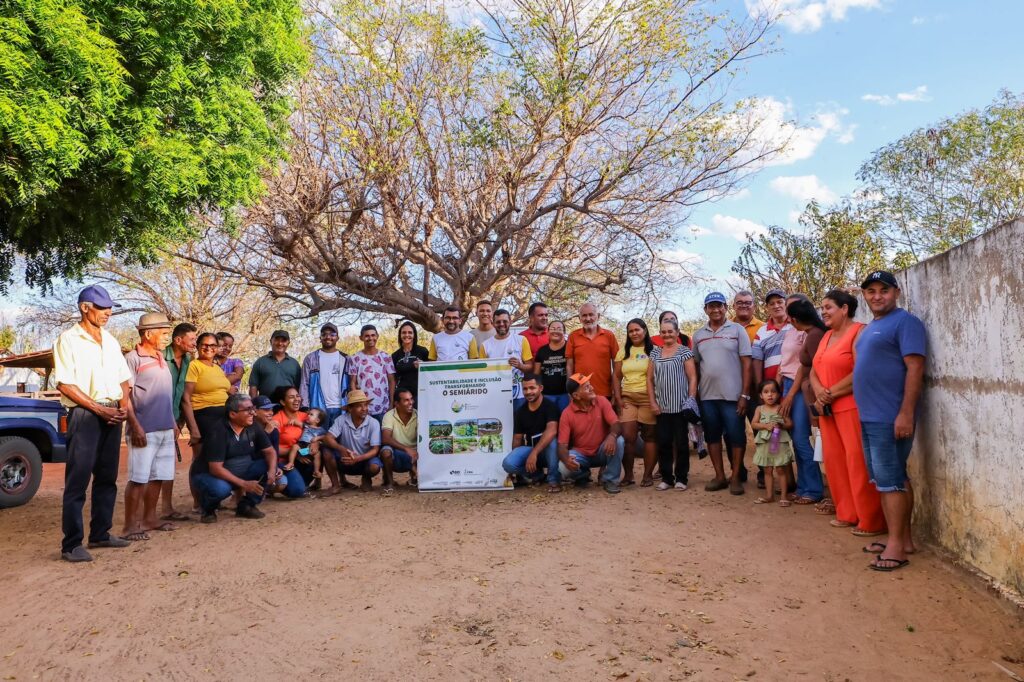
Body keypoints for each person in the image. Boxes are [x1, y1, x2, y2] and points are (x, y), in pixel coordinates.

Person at [53, 285, 134, 562]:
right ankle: (71, 545)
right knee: (78, 479)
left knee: (107, 476)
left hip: (112, 413)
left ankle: (100, 533)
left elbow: (124, 379)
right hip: (85, 414)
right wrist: (99, 409)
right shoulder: (68, 340)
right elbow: (65, 383)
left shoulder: (110, 341)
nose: (108, 313)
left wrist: (123, 406)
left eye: (110, 308)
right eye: (102, 308)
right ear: (85, 307)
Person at [855, 271, 927, 572]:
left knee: (889, 481)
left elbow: (915, 368)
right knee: (892, 478)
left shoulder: (905, 322)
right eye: (870, 291)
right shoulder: (872, 326)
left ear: (896, 293)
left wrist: (906, 412)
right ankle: (902, 539)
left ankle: (896, 547)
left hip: (889, 416)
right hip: (869, 416)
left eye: (883, 290)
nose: (877, 296)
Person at [810, 289, 885, 537]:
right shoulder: (826, 336)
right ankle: (847, 513)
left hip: (851, 406)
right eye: (822, 307)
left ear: (844, 309)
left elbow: (861, 371)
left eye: (828, 307)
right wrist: (820, 392)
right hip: (826, 409)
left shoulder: (858, 332)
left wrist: (829, 393)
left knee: (857, 461)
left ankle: (870, 520)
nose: (823, 312)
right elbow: (813, 370)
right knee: (834, 461)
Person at [122, 313, 178, 542]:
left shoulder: (161, 357)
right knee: (138, 478)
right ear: (147, 334)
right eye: (163, 333)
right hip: (144, 429)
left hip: (165, 428)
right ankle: (129, 526)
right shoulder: (132, 359)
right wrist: (135, 426)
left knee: (158, 476)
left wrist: (173, 423)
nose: (167, 338)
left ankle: (149, 519)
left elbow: (164, 394)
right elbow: (124, 397)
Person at [692, 292, 752, 495]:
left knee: (736, 436)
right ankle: (719, 476)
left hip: (733, 396)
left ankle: (735, 477)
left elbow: (747, 363)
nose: (716, 309)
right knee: (712, 437)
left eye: (719, 305)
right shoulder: (698, 335)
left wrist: (745, 395)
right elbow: (696, 366)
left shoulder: (737, 330)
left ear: (726, 308)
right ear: (705, 310)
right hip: (707, 397)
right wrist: (695, 394)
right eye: (711, 306)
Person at [191, 393, 278, 523]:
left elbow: (270, 452)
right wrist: (244, 484)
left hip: (239, 471)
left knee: (268, 466)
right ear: (232, 414)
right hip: (209, 474)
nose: (253, 413)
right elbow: (215, 469)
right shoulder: (218, 431)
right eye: (248, 410)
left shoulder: (253, 426)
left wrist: (271, 471)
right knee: (221, 489)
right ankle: (208, 509)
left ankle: (246, 506)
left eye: (253, 408)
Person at [781, 297, 827, 505]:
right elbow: (803, 365)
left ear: (795, 319)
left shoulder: (814, 335)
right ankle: (803, 486)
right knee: (797, 440)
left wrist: (793, 394)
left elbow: (816, 368)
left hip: (805, 389)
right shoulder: (809, 333)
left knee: (801, 439)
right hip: (797, 387)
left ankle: (814, 489)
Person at [647, 318, 699, 490]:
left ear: (677, 333)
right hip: (662, 408)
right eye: (663, 332)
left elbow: (692, 378)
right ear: (660, 334)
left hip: (681, 407)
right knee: (664, 443)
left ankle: (681, 478)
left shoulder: (685, 352)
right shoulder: (655, 353)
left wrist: (691, 400)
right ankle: (667, 478)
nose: (667, 334)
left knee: (682, 444)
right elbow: (649, 379)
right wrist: (653, 402)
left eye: (670, 331)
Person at [751, 289, 792, 490]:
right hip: (771, 392)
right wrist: (762, 389)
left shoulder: (795, 324)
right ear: (767, 307)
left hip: (792, 385)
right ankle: (787, 483)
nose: (776, 306)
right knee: (776, 433)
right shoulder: (761, 332)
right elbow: (757, 361)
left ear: (785, 304)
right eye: (771, 303)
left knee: (795, 434)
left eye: (779, 302)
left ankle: (801, 484)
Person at [557, 373, 624, 494]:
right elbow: (562, 445)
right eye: (587, 387)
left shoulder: (601, 400)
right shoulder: (567, 413)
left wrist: (612, 436)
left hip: (602, 451)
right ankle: (582, 475)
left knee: (619, 441)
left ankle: (610, 480)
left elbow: (616, 424)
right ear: (576, 396)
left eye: (590, 385)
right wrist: (566, 459)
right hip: (581, 454)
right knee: (563, 467)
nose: (592, 388)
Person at [613, 319, 656, 487]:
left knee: (650, 437)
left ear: (644, 330)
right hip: (628, 398)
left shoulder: (654, 350)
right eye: (630, 331)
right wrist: (618, 398)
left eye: (637, 330)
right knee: (628, 437)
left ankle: (647, 475)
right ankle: (629, 475)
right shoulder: (623, 351)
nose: (634, 333)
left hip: (648, 398)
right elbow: (616, 376)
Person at [502, 373, 561, 492]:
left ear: (541, 388)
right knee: (508, 464)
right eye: (525, 389)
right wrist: (515, 470)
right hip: (532, 452)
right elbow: (517, 439)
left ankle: (554, 480)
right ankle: (537, 475)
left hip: (550, 453)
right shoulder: (520, 412)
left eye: (532, 388)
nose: (528, 392)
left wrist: (534, 453)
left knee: (552, 442)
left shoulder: (550, 406)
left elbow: (552, 430)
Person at [161, 322, 196, 522]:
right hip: (157, 418)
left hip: (175, 417)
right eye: (191, 339)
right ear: (178, 340)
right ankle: (143, 512)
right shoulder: (160, 357)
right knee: (150, 467)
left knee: (168, 463)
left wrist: (181, 420)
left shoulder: (188, 360)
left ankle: (167, 508)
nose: (194, 343)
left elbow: (183, 393)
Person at [320, 390, 383, 493]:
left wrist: (358, 458)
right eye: (359, 406)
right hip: (345, 460)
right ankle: (335, 485)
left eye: (365, 405)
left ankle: (366, 479)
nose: (364, 408)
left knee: (374, 466)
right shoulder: (341, 419)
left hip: (364, 460)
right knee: (326, 451)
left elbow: (375, 450)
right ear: (350, 409)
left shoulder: (373, 423)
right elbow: (327, 438)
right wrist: (342, 449)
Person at [182, 332, 232, 462]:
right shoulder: (194, 366)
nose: (209, 348)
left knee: (221, 460)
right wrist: (193, 429)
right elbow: (185, 398)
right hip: (204, 416)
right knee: (202, 461)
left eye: (213, 345)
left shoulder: (217, 368)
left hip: (224, 417)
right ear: (197, 346)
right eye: (204, 345)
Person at [478, 309, 533, 410]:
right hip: (495, 395)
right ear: (493, 323)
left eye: (505, 321)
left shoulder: (521, 340)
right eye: (498, 322)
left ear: (510, 322)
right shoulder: (485, 345)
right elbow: (481, 373)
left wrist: (520, 365)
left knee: (519, 420)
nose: (501, 324)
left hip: (518, 395)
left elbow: (530, 367)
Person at [751, 379, 795, 506]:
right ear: (761, 395)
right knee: (767, 470)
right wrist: (765, 426)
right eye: (766, 392)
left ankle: (784, 497)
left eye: (773, 392)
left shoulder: (780, 408)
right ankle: (769, 496)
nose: (770, 395)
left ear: (778, 394)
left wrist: (781, 425)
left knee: (780, 469)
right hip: (765, 443)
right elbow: (754, 424)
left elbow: (790, 423)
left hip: (778, 442)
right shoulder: (759, 409)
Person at [565, 303, 619, 399]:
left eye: (591, 314)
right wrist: (571, 390)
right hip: (581, 393)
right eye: (584, 315)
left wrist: (616, 391)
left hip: (605, 392)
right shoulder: (573, 336)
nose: (588, 318)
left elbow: (617, 365)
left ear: (598, 316)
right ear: (579, 318)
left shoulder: (609, 336)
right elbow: (569, 366)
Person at [300, 323, 348, 427]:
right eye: (324, 334)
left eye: (332, 334)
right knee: (318, 437)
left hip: (341, 408)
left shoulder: (345, 359)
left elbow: (351, 384)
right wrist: (305, 407)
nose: (328, 337)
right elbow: (304, 384)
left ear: (337, 338)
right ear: (320, 338)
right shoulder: (311, 358)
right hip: (318, 409)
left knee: (338, 436)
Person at [269, 387, 314, 497]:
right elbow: (272, 448)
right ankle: (271, 487)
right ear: (283, 402)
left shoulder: (306, 417)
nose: (296, 399)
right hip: (283, 461)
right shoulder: (276, 420)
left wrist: (310, 447)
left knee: (318, 451)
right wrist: (294, 453)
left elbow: (319, 434)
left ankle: (303, 484)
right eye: (291, 397)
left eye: (298, 396)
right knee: (296, 490)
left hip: (301, 455)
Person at [252, 394, 299, 498]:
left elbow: (275, 453)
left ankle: (267, 489)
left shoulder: (273, 428)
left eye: (271, 409)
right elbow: (253, 455)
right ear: (255, 411)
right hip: (255, 465)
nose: (270, 413)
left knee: (297, 489)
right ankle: (255, 490)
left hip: (272, 463)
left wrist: (275, 467)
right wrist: (266, 433)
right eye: (266, 410)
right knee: (280, 480)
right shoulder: (249, 427)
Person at [349, 324, 396, 423]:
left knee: (383, 432)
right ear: (361, 338)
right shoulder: (355, 358)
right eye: (367, 336)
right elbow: (353, 382)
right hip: (363, 409)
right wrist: (356, 404)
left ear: (377, 336)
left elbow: (391, 381)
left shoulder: (385, 357)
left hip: (383, 407)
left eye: (373, 335)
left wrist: (391, 403)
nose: (370, 338)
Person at [380, 388, 419, 491]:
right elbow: (385, 438)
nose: (411, 402)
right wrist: (406, 449)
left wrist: (412, 451)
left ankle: (415, 478)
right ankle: (389, 482)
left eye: (411, 399)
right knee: (386, 452)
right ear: (396, 404)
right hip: (397, 452)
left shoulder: (418, 415)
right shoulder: (389, 415)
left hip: (415, 452)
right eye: (406, 400)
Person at [249, 330, 301, 399]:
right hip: (266, 404)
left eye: (283, 341)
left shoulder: (294, 364)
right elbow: (253, 386)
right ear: (271, 341)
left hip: (288, 405)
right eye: (277, 340)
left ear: (288, 343)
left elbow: (300, 387)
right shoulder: (260, 362)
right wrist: (254, 403)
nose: (280, 343)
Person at [533, 320, 570, 412]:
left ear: (564, 332)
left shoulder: (570, 348)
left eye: (559, 329)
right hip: (546, 395)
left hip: (566, 394)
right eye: (553, 328)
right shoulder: (542, 350)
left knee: (565, 419)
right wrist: (537, 392)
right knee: (549, 418)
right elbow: (536, 374)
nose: (555, 331)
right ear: (548, 332)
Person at [391, 320, 429, 405]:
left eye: (410, 332)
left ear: (414, 335)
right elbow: (393, 379)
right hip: (402, 397)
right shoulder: (395, 355)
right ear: (400, 335)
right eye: (404, 333)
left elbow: (430, 372)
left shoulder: (423, 351)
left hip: (420, 395)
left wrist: (423, 366)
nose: (407, 335)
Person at [284, 407, 327, 478]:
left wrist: (318, 438)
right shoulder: (306, 426)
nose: (308, 415)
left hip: (309, 449)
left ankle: (316, 471)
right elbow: (299, 423)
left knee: (318, 454)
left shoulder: (321, 430)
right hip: (301, 447)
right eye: (308, 414)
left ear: (317, 420)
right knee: (294, 447)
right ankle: (291, 463)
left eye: (311, 414)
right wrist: (293, 421)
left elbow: (326, 437)